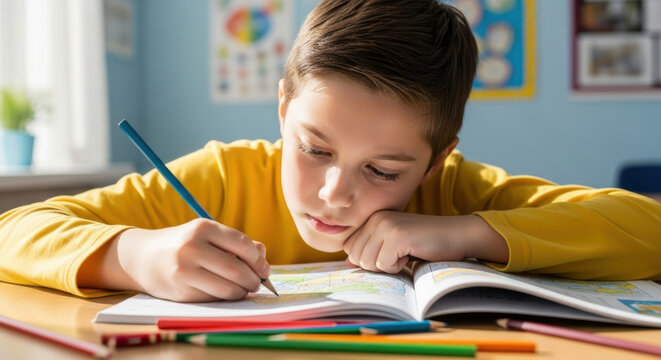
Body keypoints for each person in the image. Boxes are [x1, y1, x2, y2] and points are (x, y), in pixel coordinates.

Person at [1, 0, 660, 303]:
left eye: (382, 170)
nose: (332, 194)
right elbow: (13, 231)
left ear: (434, 161)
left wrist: (462, 231)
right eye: (313, 148)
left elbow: (646, 228)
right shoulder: (224, 174)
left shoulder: (456, 192)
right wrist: (134, 254)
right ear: (284, 110)